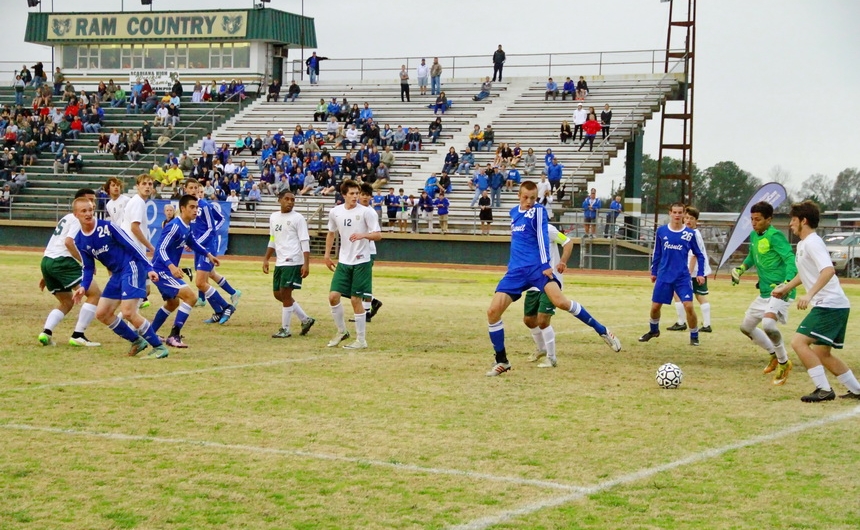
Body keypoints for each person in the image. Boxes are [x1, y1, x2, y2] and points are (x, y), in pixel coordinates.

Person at [485, 181, 621, 376]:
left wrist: (544, 265)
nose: (529, 201)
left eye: (533, 198)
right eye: (525, 197)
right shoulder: (513, 213)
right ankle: (502, 361)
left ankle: (602, 330)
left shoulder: (539, 211)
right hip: (516, 271)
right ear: (519, 196)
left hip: (538, 269)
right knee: (492, 312)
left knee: (561, 302)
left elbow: (541, 237)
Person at [771, 201, 860, 402]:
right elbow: (805, 273)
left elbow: (828, 270)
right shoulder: (804, 244)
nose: (791, 224)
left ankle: (823, 389)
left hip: (830, 305)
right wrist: (786, 288)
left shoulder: (812, 242)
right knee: (821, 352)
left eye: (793, 220)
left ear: (804, 220)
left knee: (798, 342)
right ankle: (857, 389)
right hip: (832, 305)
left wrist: (809, 294)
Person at [70, 197, 169, 359]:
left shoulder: (107, 227)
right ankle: (136, 341)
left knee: (128, 312)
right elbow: (88, 267)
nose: (88, 213)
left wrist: (149, 267)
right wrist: (83, 286)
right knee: (102, 313)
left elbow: (132, 245)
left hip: (131, 267)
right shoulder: (79, 240)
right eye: (84, 211)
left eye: (90, 210)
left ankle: (159, 347)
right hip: (117, 274)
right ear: (76, 215)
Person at [729, 201, 797, 385]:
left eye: (757, 219)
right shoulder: (754, 235)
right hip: (765, 293)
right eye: (752, 219)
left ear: (769, 219)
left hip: (780, 291)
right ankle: (774, 354)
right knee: (746, 327)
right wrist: (741, 268)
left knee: (768, 325)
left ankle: (784, 362)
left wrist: (786, 283)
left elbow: (790, 258)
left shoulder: (775, 236)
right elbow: (753, 255)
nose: (754, 222)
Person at [150, 194, 220, 349]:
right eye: (192, 207)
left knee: (172, 303)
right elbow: (160, 248)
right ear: (182, 209)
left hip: (165, 269)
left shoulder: (187, 226)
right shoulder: (174, 225)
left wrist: (209, 255)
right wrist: (171, 266)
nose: (196, 210)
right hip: (160, 269)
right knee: (191, 297)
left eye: (197, 207)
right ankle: (174, 336)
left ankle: (150, 333)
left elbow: (192, 243)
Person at [37, 188, 102, 348]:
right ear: (78, 204)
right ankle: (78, 335)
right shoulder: (76, 220)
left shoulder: (66, 218)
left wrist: (47, 274)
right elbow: (68, 242)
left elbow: (56, 244)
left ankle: (46, 332)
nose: (92, 205)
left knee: (66, 301)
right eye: (88, 201)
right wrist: (85, 262)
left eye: (93, 202)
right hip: (62, 261)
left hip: (48, 262)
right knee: (94, 294)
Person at [323, 180, 382, 349]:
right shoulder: (335, 212)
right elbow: (331, 233)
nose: (355, 196)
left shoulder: (367, 212)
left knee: (356, 299)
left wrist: (364, 235)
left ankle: (361, 340)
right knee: (333, 296)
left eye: (357, 193)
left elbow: (378, 235)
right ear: (344, 195)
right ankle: (342, 331)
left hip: (361, 261)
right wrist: (327, 255)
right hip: (344, 261)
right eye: (352, 193)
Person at [639, 202, 706, 346]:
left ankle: (694, 335)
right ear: (670, 213)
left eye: (680, 212)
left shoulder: (689, 234)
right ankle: (653, 330)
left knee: (688, 306)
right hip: (664, 275)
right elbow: (657, 252)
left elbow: (699, 255)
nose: (677, 215)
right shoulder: (662, 231)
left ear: (683, 214)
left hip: (682, 277)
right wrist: (654, 271)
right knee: (655, 307)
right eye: (674, 212)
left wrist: (700, 273)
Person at [183, 178, 240, 323]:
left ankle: (226, 307)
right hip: (199, 247)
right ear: (185, 189)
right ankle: (219, 310)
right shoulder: (188, 207)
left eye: (196, 188)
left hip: (207, 247)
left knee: (201, 282)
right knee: (207, 278)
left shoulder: (204, 206)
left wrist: (196, 243)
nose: (194, 191)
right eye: (191, 188)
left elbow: (211, 229)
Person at [262, 190, 316, 338]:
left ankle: (285, 329)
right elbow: (273, 239)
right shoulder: (273, 217)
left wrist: (306, 264)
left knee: (285, 293)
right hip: (280, 261)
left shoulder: (298, 218)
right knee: (278, 294)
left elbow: (304, 241)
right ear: (279, 200)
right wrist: (266, 258)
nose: (290, 202)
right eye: (287, 199)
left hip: (293, 260)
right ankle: (305, 319)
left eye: (293, 199)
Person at [524, 224, 574, 368]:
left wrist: (562, 261)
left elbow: (568, 242)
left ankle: (551, 358)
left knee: (543, 319)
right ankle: (541, 348)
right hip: (533, 281)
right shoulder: (525, 229)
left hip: (550, 280)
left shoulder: (548, 229)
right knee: (528, 320)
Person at [667, 206, 714, 334]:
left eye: (691, 218)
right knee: (678, 294)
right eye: (686, 218)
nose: (688, 220)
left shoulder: (694, 234)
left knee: (699, 296)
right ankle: (683, 322)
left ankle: (701, 324)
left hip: (695, 272)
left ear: (696, 221)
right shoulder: (686, 233)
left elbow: (694, 255)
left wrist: (690, 272)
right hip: (692, 271)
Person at [357, 184, 385, 321]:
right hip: (357, 250)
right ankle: (372, 303)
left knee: (363, 282)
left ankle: (366, 311)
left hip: (367, 250)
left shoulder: (371, 212)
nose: (365, 197)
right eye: (363, 194)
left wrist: (363, 239)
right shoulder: (356, 210)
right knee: (357, 282)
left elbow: (375, 234)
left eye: (367, 195)